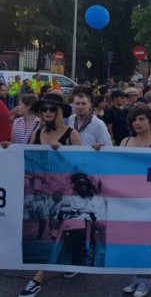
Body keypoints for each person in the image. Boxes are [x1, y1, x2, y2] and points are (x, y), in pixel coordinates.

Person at [18, 93, 82, 297]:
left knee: (56, 232)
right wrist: (8, 149)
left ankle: (37, 278)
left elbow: (81, 165)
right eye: (44, 109)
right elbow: (26, 158)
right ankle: (70, 260)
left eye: (52, 109)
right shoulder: (36, 134)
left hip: (65, 193)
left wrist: (62, 153)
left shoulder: (71, 134)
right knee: (47, 231)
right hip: (41, 192)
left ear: (59, 112)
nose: (47, 112)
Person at [120, 105, 151, 297]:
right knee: (132, 240)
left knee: (147, 240)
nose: (137, 123)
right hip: (128, 199)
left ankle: (146, 278)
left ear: (150, 121)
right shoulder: (125, 142)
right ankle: (136, 276)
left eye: (141, 119)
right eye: (134, 120)